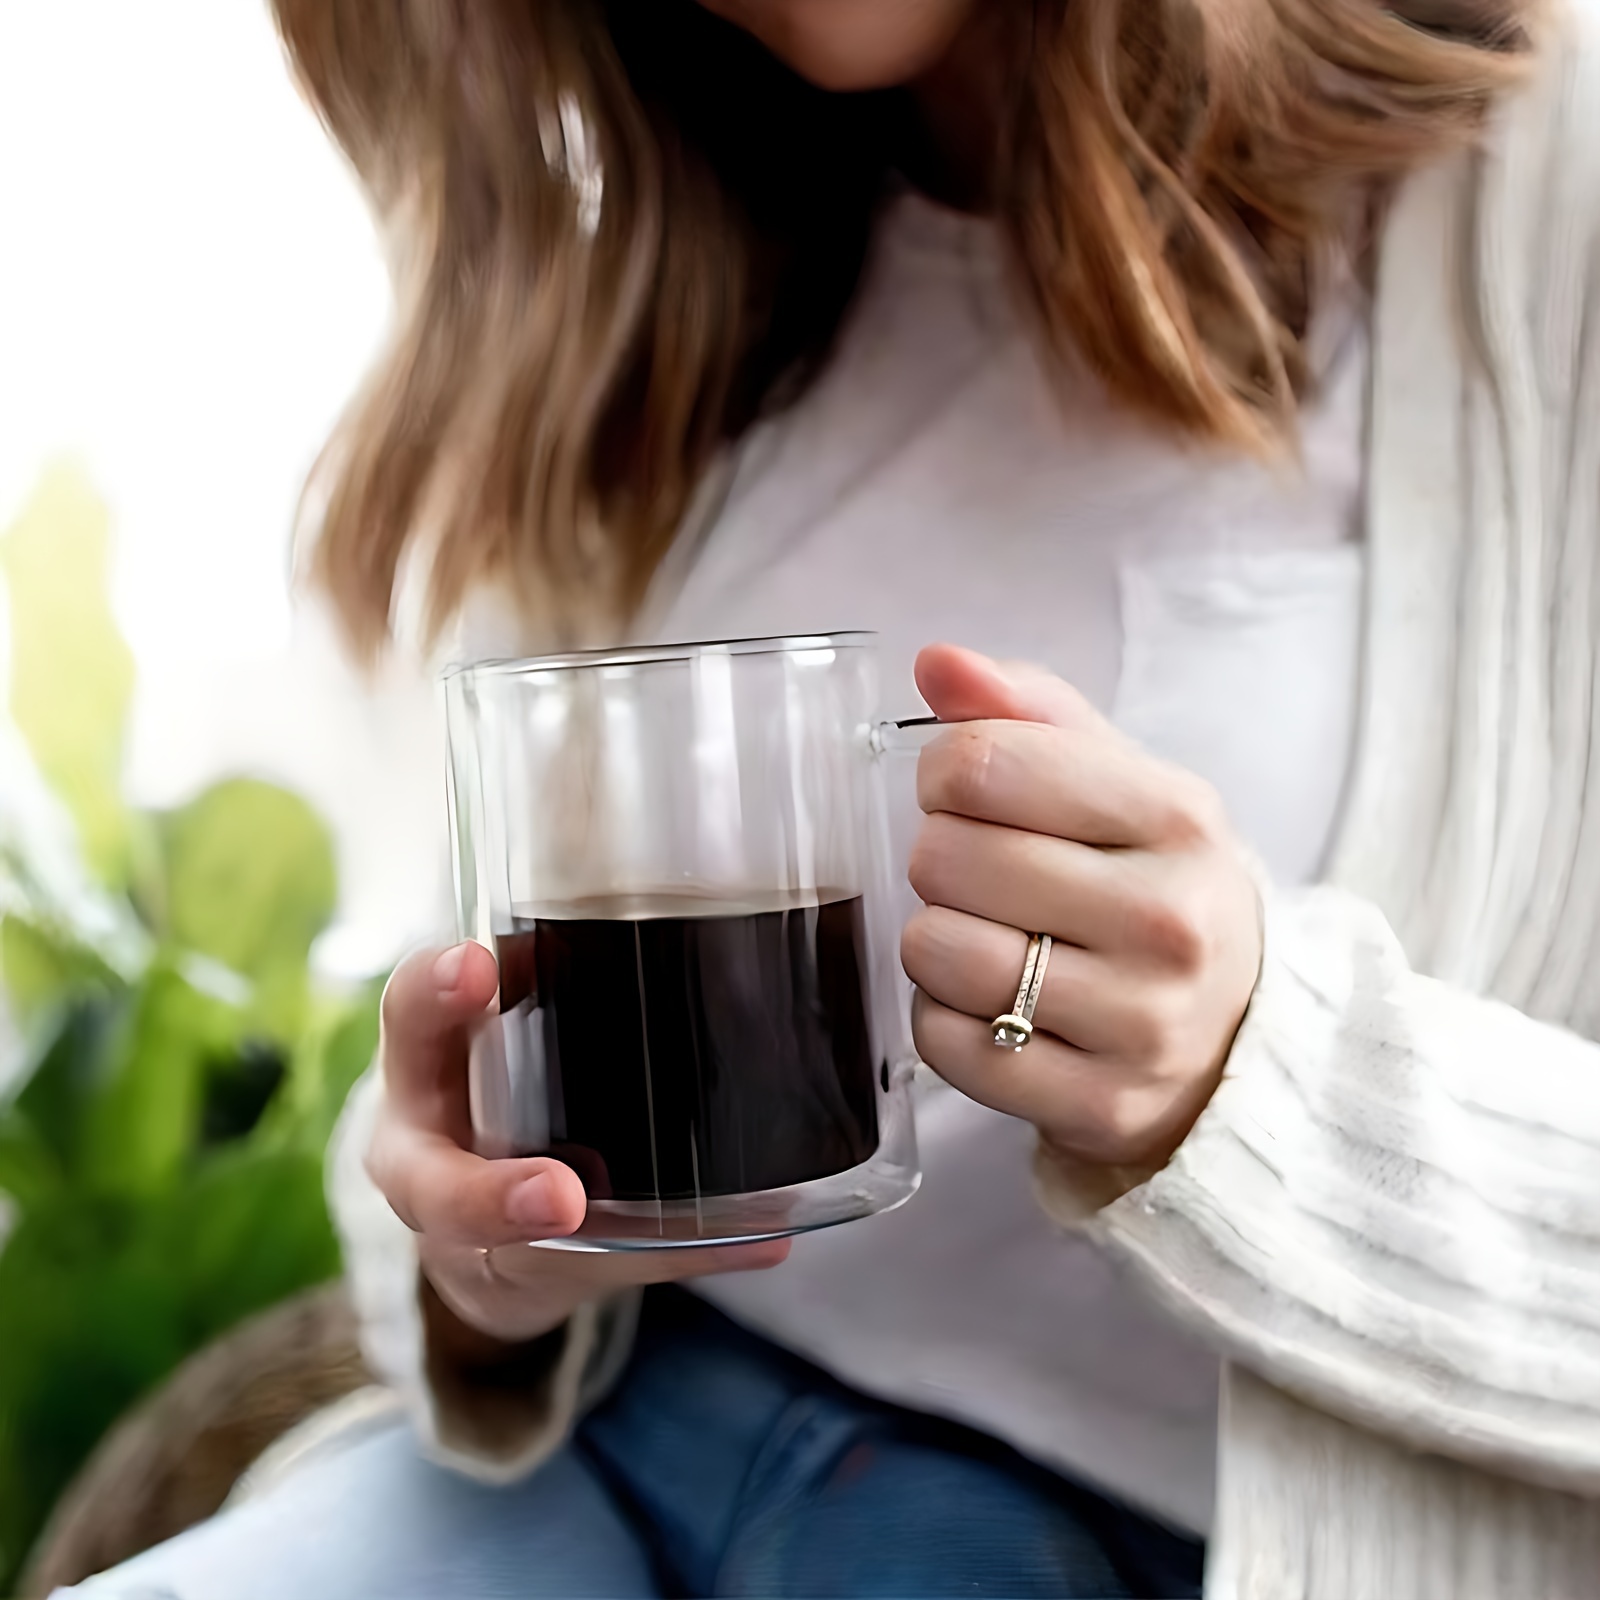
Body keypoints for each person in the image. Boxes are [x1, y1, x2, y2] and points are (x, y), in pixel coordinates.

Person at [72, 0, 1600, 1595]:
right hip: (608, 1446)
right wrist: (473, 1249)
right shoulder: (660, 261)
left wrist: (1261, 1079)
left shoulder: (1546, 199)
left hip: (1101, 1532)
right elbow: (464, 1095)